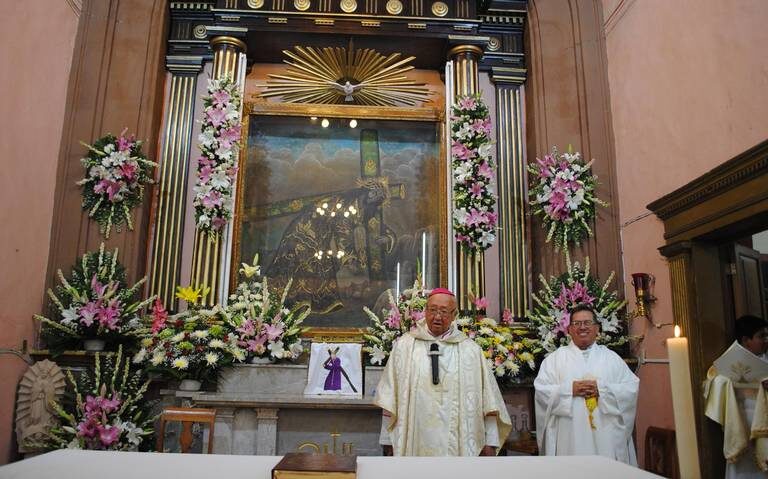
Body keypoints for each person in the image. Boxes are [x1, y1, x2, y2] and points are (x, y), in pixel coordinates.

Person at [374, 288, 512, 456]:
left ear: (454, 315)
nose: (437, 316)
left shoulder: (470, 351)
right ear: (425, 311)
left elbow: (487, 401)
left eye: (444, 312)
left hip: (458, 446)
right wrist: (387, 440)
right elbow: (390, 397)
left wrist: (490, 441)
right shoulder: (405, 346)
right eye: (433, 310)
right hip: (415, 440)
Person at [534, 304, 639, 464]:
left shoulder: (612, 359)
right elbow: (542, 392)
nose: (582, 327)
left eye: (587, 323)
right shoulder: (554, 360)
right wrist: (569, 390)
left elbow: (630, 389)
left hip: (606, 437)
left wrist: (601, 389)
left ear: (597, 328)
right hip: (569, 438)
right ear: (569, 330)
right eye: (576, 323)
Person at [703, 315, 768, 478]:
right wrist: (729, 383)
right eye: (761, 336)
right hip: (741, 424)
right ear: (746, 340)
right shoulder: (728, 362)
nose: (766, 340)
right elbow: (714, 381)